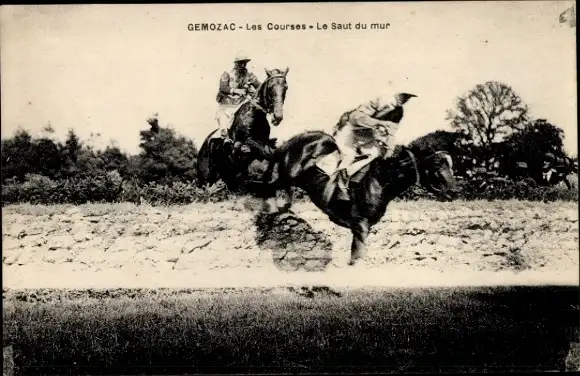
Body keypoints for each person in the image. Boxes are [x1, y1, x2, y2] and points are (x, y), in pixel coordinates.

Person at [330, 92, 417, 201]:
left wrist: (390, 149)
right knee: (348, 155)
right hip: (350, 129)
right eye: (403, 95)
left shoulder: (399, 111)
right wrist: (380, 123)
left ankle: (354, 184)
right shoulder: (378, 101)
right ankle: (339, 187)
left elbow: (391, 132)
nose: (404, 99)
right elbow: (356, 118)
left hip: (367, 135)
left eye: (407, 97)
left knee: (375, 154)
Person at [215, 54, 262, 141]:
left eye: (245, 63)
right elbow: (223, 87)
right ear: (236, 63)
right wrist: (237, 91)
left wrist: (254, 91)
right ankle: (225, 139)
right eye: (241, 63)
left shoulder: (250, 75)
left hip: (241, 103)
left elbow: (260, 86)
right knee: (223, 121)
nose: (243, 65)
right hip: (227, 105)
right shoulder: (227, 74)